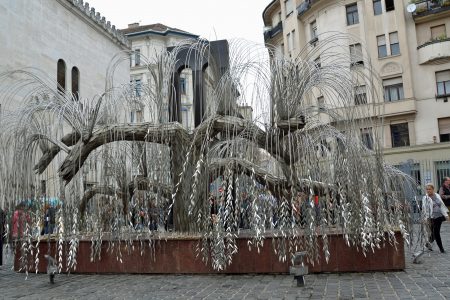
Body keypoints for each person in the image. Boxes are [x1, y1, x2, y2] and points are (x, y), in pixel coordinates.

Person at [422, 183, 449, 253]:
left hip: (439, 217)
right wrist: (425, 219)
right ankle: (437, 247)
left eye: (429, 189)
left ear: (433, 189)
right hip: (431, 217)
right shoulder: (425, 198)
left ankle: (434, 246)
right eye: (427, 189)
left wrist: (446, 215)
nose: (428, 191)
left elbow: (442, 206)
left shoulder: (437, 196)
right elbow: (424, 209)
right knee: (434, 233)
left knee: (435, 233)